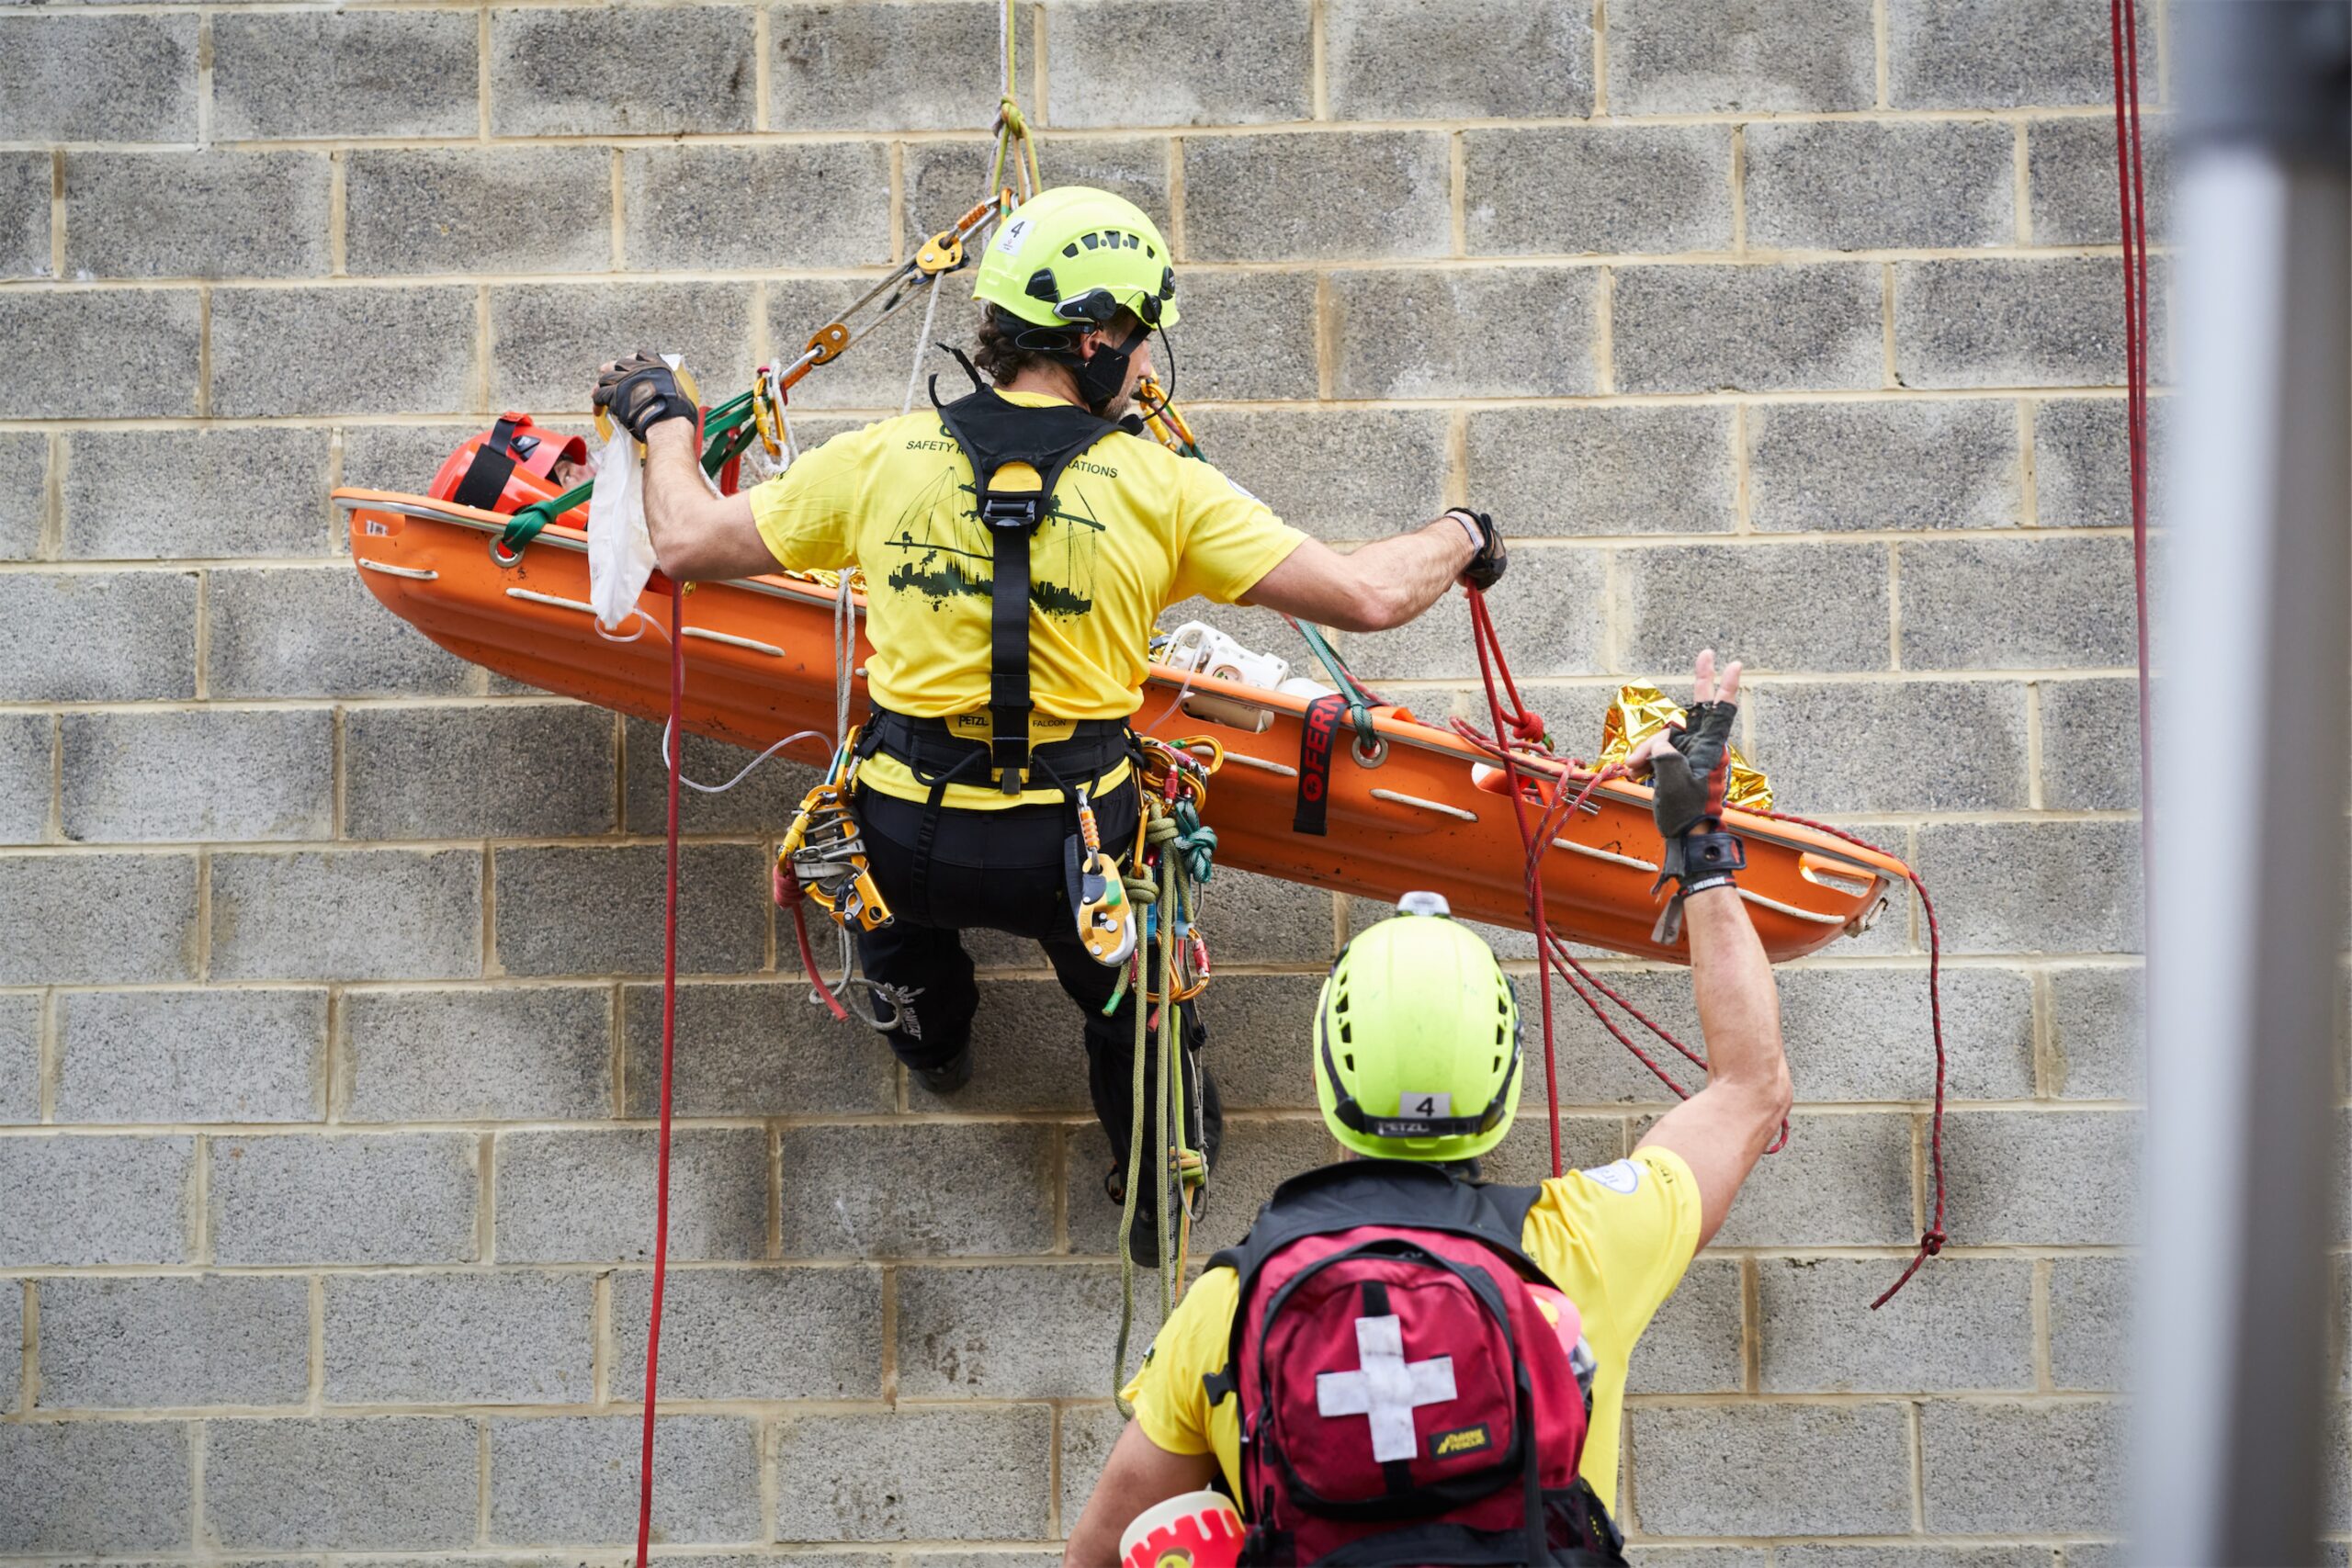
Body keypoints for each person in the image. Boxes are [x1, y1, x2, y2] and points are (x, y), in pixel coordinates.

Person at [589, 186, 1511, 1259]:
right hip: (1071, 850)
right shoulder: (1163, 492)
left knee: (890, 922)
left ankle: (931, 1039)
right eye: (1143, 338)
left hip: (901, 829)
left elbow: (688, 541)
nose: (1152, 368)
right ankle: (1157, 1193)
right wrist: (1462, 532)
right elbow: (1369, 596)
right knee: (1137, 1015)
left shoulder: (883, 460)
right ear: (1094, 338)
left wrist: (665, 421)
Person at [1063, 651, 1790, 1566]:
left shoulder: (1230, 1305)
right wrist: (1700, 842)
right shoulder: (1585, 1245)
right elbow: (1751, 1087)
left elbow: (1091, 1556)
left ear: (1330, 1073)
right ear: (1504, 1075)